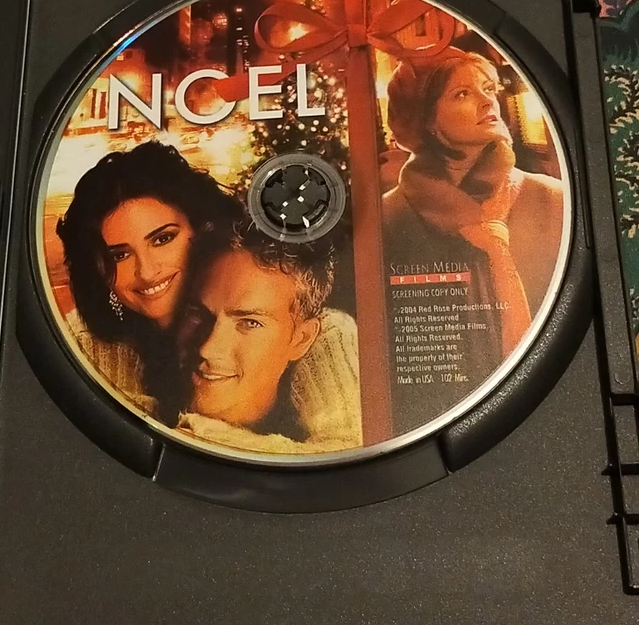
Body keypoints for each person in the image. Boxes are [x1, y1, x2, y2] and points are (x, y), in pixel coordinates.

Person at [383, 49, 564, 428]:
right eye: (462, 93)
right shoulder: (386, 220)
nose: (487, 101)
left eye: (488, 88)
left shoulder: (553, 200)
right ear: (426, 120)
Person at [56, 141, 242, 419]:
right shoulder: (83, 345)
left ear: (203, 229)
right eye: (119, 256)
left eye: (163, 239)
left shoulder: (281, 309)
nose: (146, 271)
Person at [176, 224, 361, 454]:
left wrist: (200, 434)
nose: (207, 348)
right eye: (198, 314)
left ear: (301, 340)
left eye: (250, 322)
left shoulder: (329, 335)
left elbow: (347, 448)